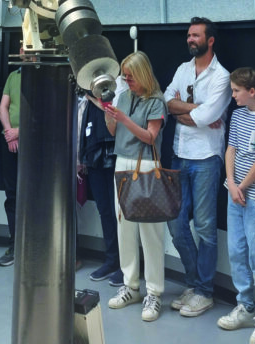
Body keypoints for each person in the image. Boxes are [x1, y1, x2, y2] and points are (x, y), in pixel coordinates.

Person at [164, 16, 231, 317]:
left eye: (195, 35)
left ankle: (204, 291)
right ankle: (192, 283)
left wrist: (188, 112)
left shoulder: (222, 76)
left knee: (204, 226)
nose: (190, 39)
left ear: (210, 40)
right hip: (180, 152)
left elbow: (208, 118)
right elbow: (168, 103)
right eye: (189, 35)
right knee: (176, 224)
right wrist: (194, 110)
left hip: (206, 157)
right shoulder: (182, 69)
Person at [104, 51, 167, 322]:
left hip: (146, 167)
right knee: (124, 227)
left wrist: (124, 119)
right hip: (123, 165)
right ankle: (130, 285)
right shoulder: (124, 96)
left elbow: (150, 138)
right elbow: (112, 132)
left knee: (150, 232)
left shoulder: (156, 101)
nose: (126, 80)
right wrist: (109, 112)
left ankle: (154, 291)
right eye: (124, 76)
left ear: (142, 74)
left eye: (130, 76)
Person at [218, 68, 255, 344]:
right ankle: (245, 306)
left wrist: (242, 186)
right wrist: (231, 182)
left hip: (252, 198)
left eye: (236, 91)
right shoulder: (237, 114)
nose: (232, 95)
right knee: (236, 252)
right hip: (234, 196)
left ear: (251, 91)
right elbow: (231, 148)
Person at [78, 87, 123, 286]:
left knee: (119, 212)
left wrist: (95, 97)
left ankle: (125, 265)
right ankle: (112, 260)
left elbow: (114, 113)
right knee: (104, 210)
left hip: (114, 156)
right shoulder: (85, 99)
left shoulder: (117, 88)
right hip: (93, 156)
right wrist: (82, 157)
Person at [0, 46, 23, 267]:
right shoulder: (13, 76)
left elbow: (45, 113)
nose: (25, 50)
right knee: (12, 194)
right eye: (22, 46)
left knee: (36, 196)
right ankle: (15, 243)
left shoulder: (44, 75)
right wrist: (9, 133)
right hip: (11, 145)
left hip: (37, 148)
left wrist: (19, 131)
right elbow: (3, 107)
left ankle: (35, 244)